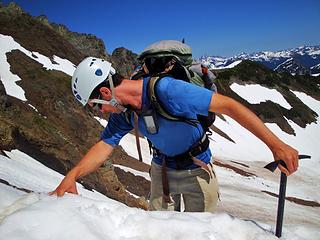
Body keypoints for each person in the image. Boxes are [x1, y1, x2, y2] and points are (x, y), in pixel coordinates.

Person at [50, 42, 299, 212]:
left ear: (106, 92)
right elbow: (104, 146)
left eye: (96, 105)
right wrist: (72, 176)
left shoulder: (166, 90)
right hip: (162, 171)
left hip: (197, 168)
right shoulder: (123, 114)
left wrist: (276, 145)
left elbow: (229, 106)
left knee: (201, 233)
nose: (100, 111)